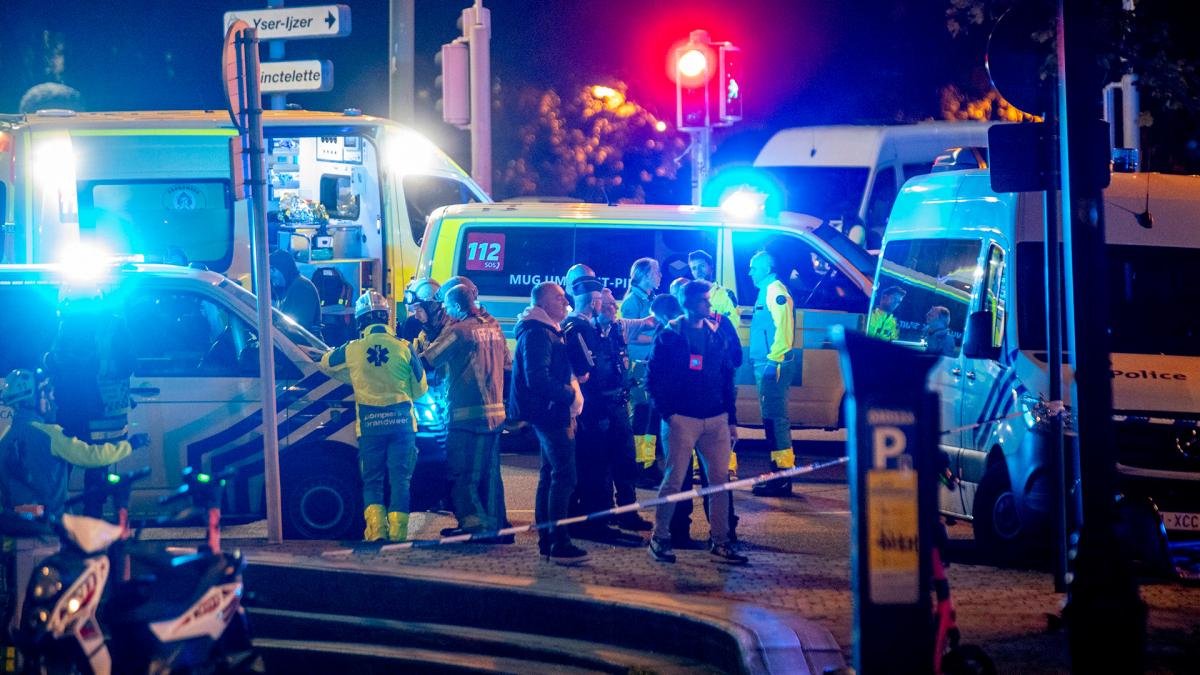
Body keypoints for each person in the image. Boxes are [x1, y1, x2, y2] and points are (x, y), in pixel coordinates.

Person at [645, 281, 747, 565]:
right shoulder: (669, 336)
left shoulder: (716, 334)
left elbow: (727, 378)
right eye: (704, 301)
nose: (710, 306)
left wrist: (731, 419)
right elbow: (652, 380)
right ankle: (660, 538)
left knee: (719, 484)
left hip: (715, 419)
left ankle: (721, 542)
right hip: (683, 420)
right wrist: (670, 415)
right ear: (688, 304)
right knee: (674, 480)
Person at [321, 290, 428, 542]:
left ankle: (376, 531)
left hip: (370, 427)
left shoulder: (352, 350)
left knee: (372, 481)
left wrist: (354, 378)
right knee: (401, 480)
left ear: (361, 321)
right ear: (386, 318)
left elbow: (325, 363)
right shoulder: (405, 348)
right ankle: (399, 534)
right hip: (402, 426)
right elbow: (421, 389)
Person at [563, 274, 651, 542]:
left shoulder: (614, 329)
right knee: (597, 468)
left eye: (613, 305)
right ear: (595, 303)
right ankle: (599, 522)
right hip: (596, 407)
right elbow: (584, 372)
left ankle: (627, 513)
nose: (612, 309)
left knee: (625, 461)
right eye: (607, 303)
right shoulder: (581, 329)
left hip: (618, 402)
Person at [422, 284, 512, 541]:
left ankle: (474, 527)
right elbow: (507, 363)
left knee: (462, 474)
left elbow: (429, 359)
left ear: (457, 306)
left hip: (465, 417)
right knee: (490, 475)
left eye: (448, 308)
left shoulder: (459, 331)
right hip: (494, 416)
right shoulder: (493, 328)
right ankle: (496, 526)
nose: (446, 313)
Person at [511, 282, 589, 565]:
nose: (565, 301)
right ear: (542, 304)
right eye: (558, 297)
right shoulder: (538, 333)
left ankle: (549, 540)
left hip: (550, 411)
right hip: (550, 412)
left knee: (550, 474)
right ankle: (559, 542)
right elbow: (538, 378)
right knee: (565, 476)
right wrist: (569, 396)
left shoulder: (546, 330)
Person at [45, 284, 135, 518]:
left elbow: (50, 362)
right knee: (98, 464)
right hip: (104, 407)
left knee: (62, 463)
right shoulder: (114, 324)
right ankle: (92, 518)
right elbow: (129, 363)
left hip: (68, 406)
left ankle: (56, 515)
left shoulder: (64, 325)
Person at [0, 369, 142, 518]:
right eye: (46, 393)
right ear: (31, 400)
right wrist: (130, 445)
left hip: (13, 528)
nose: (52, 397)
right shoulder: (51, 434)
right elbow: (91, 457)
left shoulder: (5, 438)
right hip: (46, 529)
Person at [748, 251, 798, 498]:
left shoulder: (775, 290)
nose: (750, 272)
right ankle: (778, 474)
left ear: (767, 267)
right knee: (771, 419)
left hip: (772, 363)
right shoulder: (767, 289)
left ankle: (782, 478)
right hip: (767, 362)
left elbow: (784, 330)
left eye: (754, 267)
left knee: (775, 420)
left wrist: (773, 360)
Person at [621, 258, 662, 481]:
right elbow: (628, 337)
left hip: (649, 365)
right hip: (638, 366)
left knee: (650, 416)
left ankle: (648, 463)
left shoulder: (650, 298)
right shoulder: (632, 302)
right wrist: (658, 338)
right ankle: (639, 466)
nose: (660, 276)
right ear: (644, 275)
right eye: (656, 272)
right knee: (642, 414)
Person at [268, 249, 323, 338]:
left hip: (305, 349)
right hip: (292, 347)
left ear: (284, 269)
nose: (270, 274)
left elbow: (299, 330)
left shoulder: (302, 287)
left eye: (273, 269)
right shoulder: (284, 290)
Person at [687, 250, 737, 320]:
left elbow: (734, 322)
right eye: (694, 268)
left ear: (711, 267)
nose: (698, 271)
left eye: (702, 266)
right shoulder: (687, 294)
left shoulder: (727, 294)